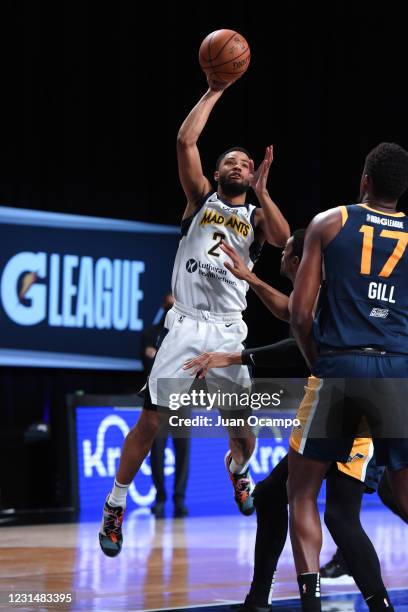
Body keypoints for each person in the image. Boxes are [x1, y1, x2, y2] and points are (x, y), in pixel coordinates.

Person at [99, 75, 290, 557]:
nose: (238, 166)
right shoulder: (200, 197)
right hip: (184, 324)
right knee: (150, 421)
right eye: (231, 160)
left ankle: (239, 470)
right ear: (219, 172)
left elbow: (288, 242)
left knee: (242, 431)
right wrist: (216, 89)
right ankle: (115, 505)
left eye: (246, 164)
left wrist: (265, 192)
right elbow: (186, 140)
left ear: (253, 176)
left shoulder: (257, 219)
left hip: (228, 330)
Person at [185, 232, 405, 611]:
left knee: (340, 514)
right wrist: (251, 281)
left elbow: (297, 332)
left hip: (351, 404)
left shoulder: (327, 289)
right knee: (282, 498)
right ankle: (259, 598)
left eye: (285, 252)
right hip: (364, 399)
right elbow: (290, 313)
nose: (281, 257)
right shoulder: (327, 288)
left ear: (298, 259)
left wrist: (235, 358)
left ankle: (357, 603)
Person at [288, 142, 408, 612]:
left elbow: (299, 314)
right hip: (396, 370)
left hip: (340, 364)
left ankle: (311, 604)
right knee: (401, 492)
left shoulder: (329, 222)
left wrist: (319, 361)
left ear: (365, 179)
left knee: (301, 493)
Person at [141, 293, 190, 518]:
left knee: (182, 450)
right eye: (170, 305)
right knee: (157, 450)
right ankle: (160, 498)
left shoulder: (189, 337)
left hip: (182, 399)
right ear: (164, 307)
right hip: (159, 399)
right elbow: (149, 366)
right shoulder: (151, 334)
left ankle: (179, 499)